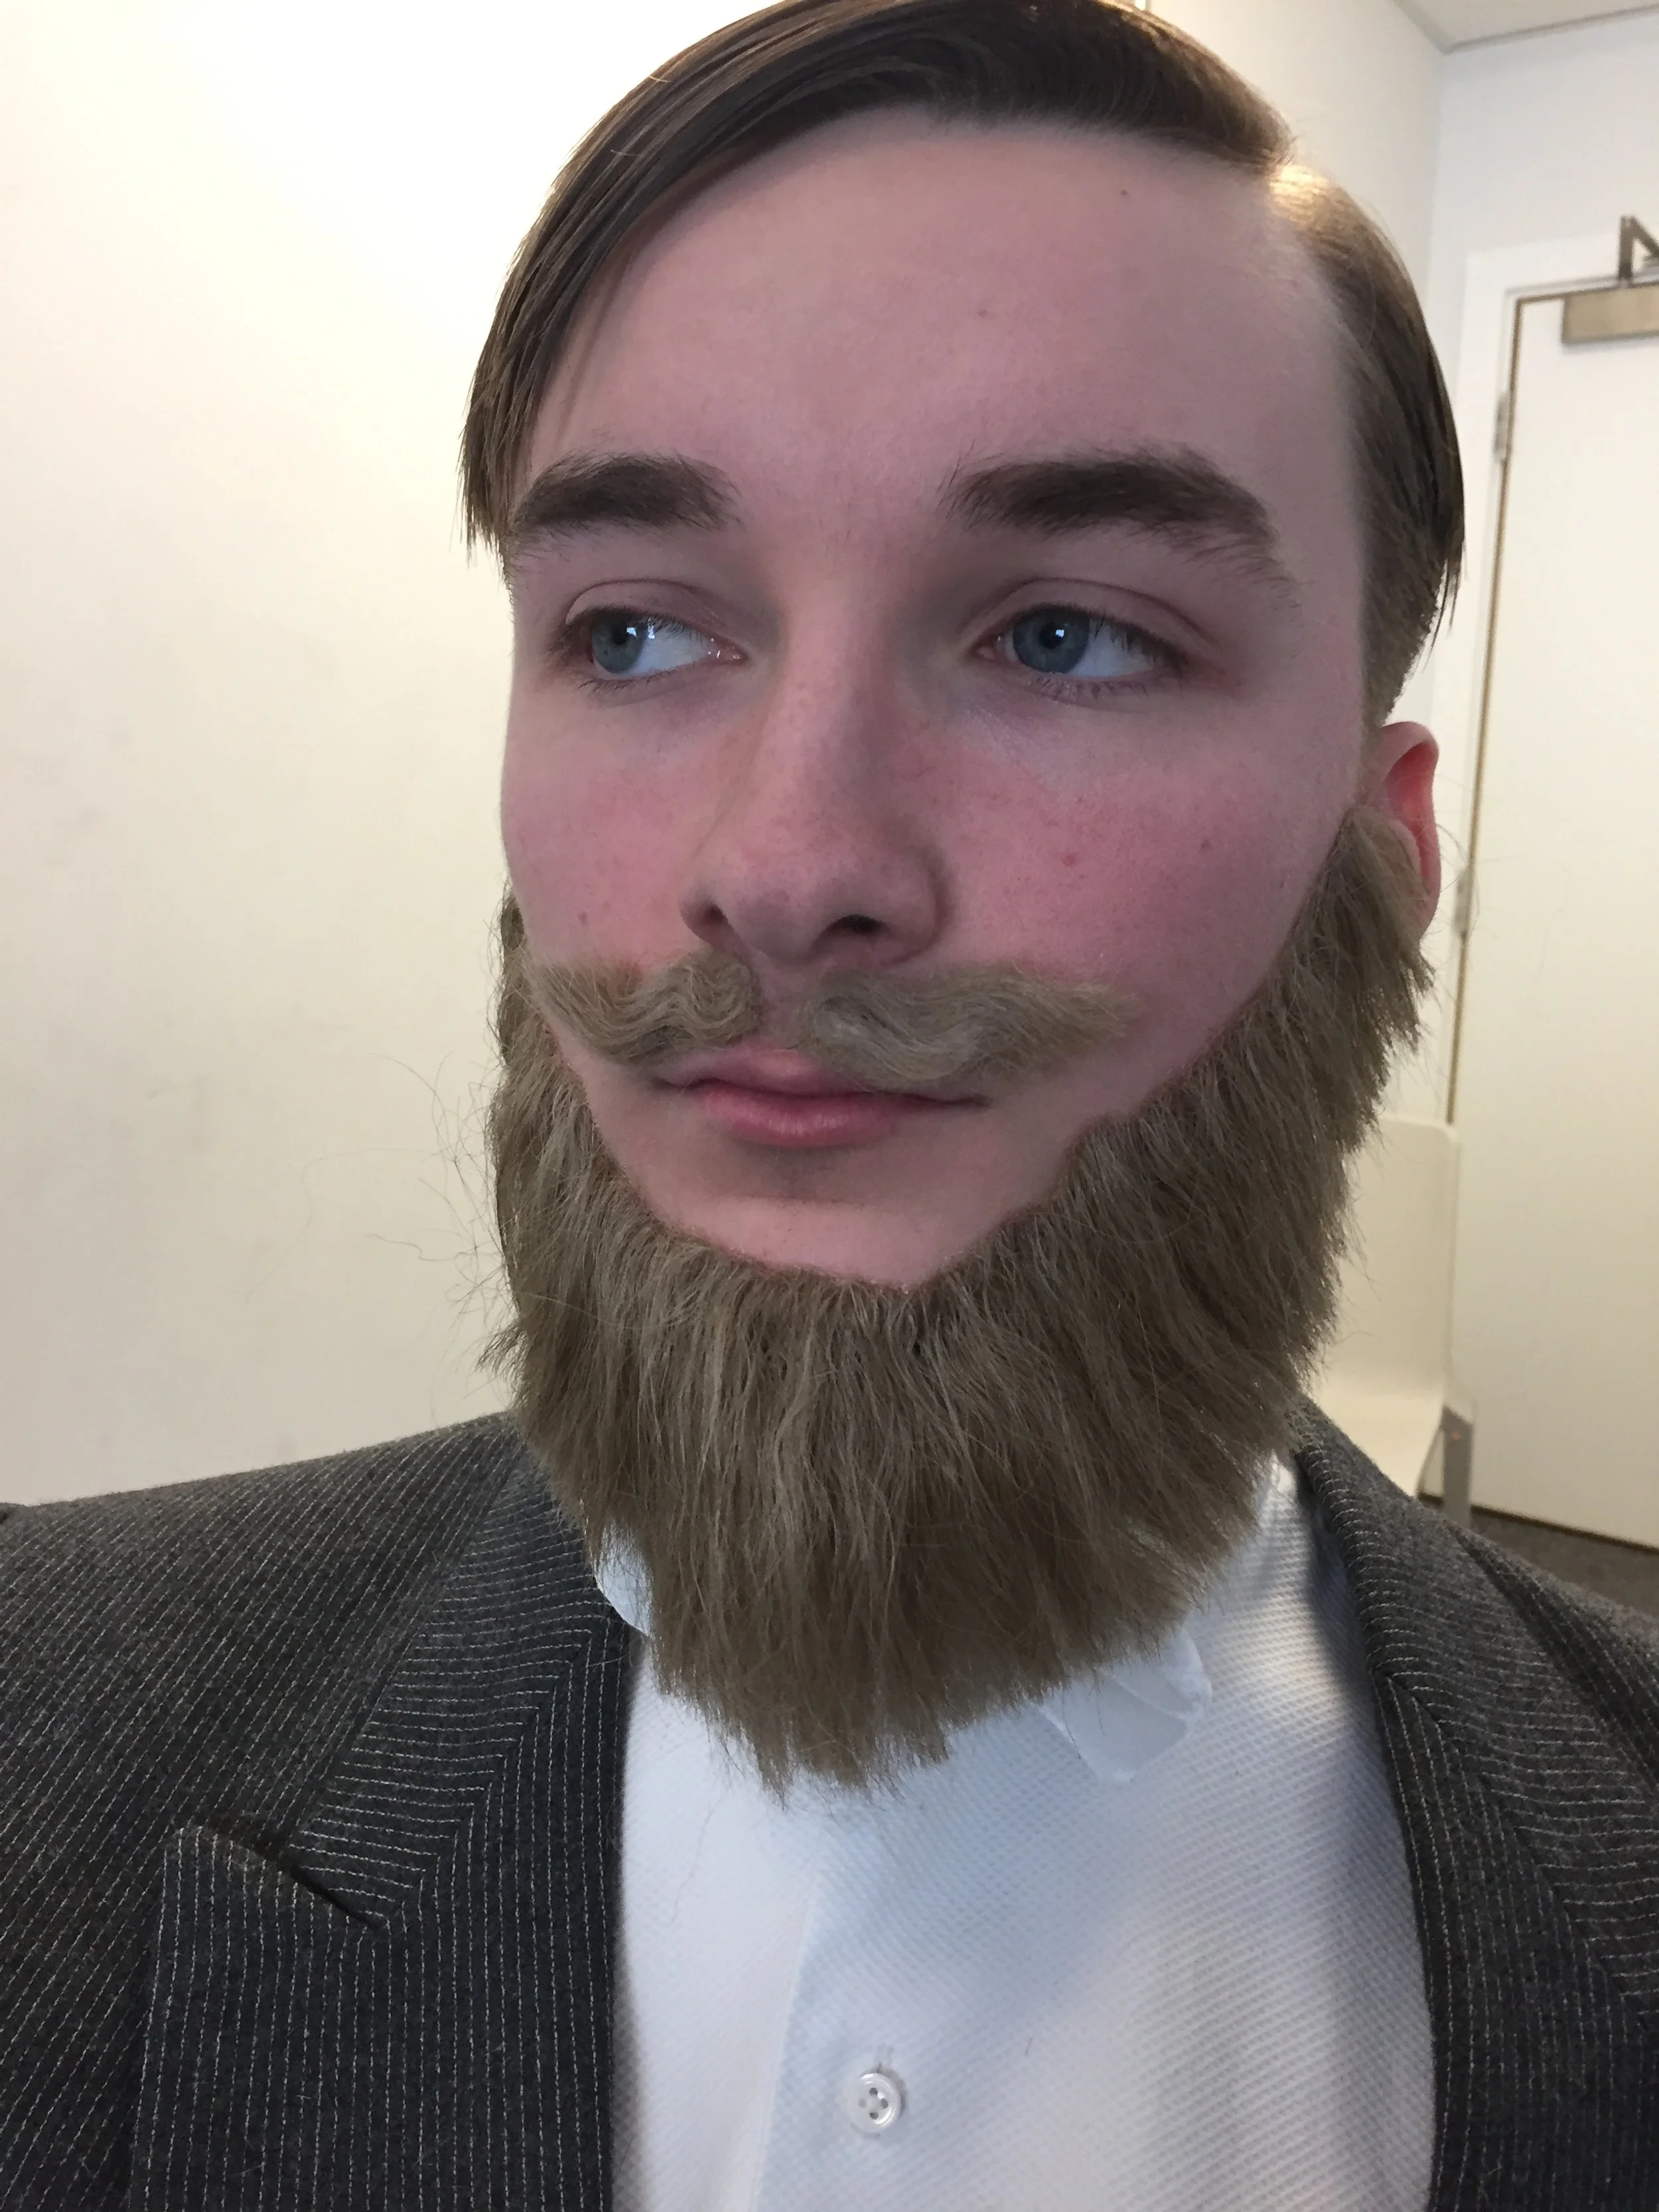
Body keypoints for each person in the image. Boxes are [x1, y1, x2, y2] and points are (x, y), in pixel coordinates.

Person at [4, 1, 1658, 2205]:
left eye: (1066, 635)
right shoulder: (41, 1712)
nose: (784, 866)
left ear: (1383, 841)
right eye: (631, 632)